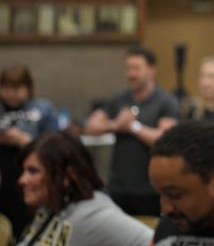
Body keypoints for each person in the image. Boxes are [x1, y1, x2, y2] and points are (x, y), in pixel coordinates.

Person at [84, 46, 179, 216]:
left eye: (136, 68)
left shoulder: (166, 101)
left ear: (152, 70)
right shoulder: (119, 99)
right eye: (128, 68)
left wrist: (133, 127)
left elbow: (165, 139)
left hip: (150, 190)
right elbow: (90, 126)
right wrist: (115, 125)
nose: (131, 74)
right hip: (118, 188)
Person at [16, 132, 152, 245]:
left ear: (67, 176)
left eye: (33, 171)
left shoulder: (92, 213)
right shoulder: (50, 205)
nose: (22, 180)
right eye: (24, 171)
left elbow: (156, 242)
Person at [0, 65, 57, 237]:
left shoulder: (43, 109)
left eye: (16, 88)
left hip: (30, 181)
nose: (11, 93)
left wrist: (24, 140)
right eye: (6, 88)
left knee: (27, 228)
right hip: (2, 178)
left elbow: (56, 148)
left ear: (28, 88)